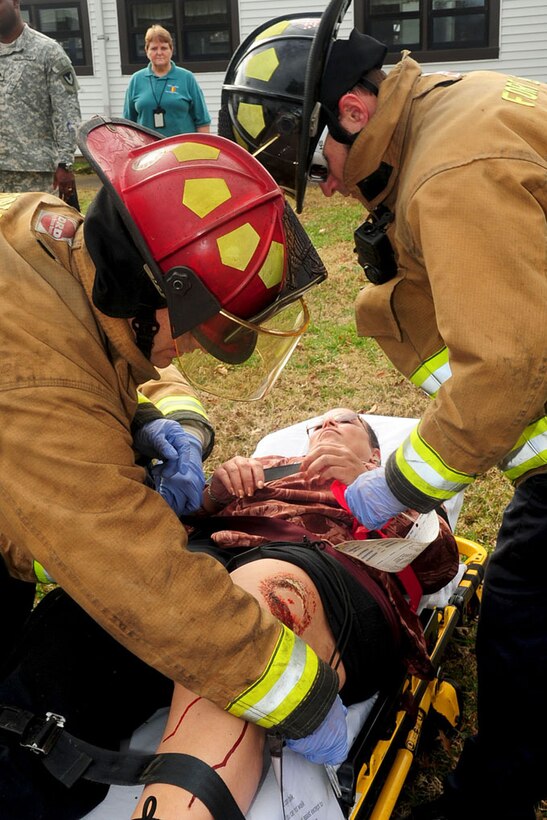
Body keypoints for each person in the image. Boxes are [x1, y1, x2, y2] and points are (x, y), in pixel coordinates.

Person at [219, 9, 547, 820]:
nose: (324, 183)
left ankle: (489, 804)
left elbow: (504, 369)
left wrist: (388, 488)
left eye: (313, 159)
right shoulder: (455, 115)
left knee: (525, 614)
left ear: (353, 112)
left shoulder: (450, 170)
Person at [0, 120, 339, 820]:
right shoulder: (35, 383)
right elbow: (137, 576)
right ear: (156, 292)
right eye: (196, 324)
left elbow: (101, 353)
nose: (187, 347)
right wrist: (303, 700)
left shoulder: (56, 238)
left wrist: (161, 422)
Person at [131, 408, 459, 819]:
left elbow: (439, 566)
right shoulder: (267, 468)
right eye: (319, 424)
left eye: (344, 422)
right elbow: (184, 515)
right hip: (208, 559)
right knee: (97, 608)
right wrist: (213, 493)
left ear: (375, 454)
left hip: (325, 579)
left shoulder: (395, 484)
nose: (325, 426)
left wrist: (371, 483)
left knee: (245, 612)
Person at [0, 0, 81, 205]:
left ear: (15, 2)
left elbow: (67, 112)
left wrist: (65, 163)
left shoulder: (48, 51)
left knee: (36, 236)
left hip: (36, 173)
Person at [123, 24, 211, 137]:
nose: (159, 53)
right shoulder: (136, 80)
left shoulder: (186, 78)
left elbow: (202, 121)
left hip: (182, 150)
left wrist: (202, 150)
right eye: (154, 48)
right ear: (146, 50)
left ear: (171, 49)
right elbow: (127, 125)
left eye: (164, 48)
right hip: (148, 151)